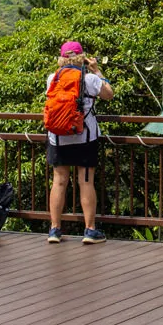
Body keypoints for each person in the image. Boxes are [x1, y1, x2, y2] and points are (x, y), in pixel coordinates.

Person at [45, 41, 113, 244]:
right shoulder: (90, 79)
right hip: (85, 137)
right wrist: (97, 70)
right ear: (82, 57)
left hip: (58, 136)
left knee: (59, 181)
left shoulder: (53, 78)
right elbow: (109, 94)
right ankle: (90, 230)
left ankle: (55, 230)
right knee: (85, 181)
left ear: (61, 58)